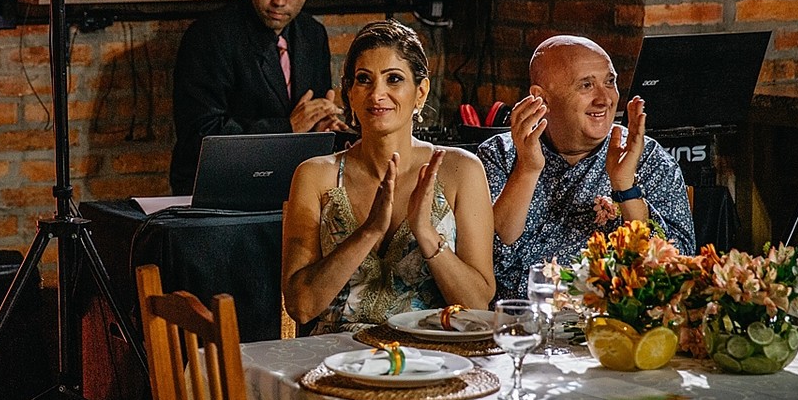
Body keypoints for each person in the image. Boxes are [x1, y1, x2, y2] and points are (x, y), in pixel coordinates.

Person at [282, 20, 495, 334]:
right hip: (337, 355)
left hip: (432, 352)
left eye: (393, 79)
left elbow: (477, 306)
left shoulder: (461, 171)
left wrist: (425, 232)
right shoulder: (316, 175)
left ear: (421, 92)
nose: (377, 93)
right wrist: (368, 231)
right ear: (349, 93)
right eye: (363, 80)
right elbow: (300, 307)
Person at [478, 35, 696, 301]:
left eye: (609, 82)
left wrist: (626, 188)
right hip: (515, 320)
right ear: (541, 98)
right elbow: (488, 260)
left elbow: (677, 270)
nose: (604, 99)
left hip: (608, 320)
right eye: (586, 85)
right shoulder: (499, 155)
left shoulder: (647, 157)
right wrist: (526, 170)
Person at [169, 0, 346, 194]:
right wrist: (288, 128)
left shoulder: (313, 33)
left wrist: (322, 128)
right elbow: (201, 134)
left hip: (292, 183)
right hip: (218, 187)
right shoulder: (209, 35)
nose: (279, 1)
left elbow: (308, 119)